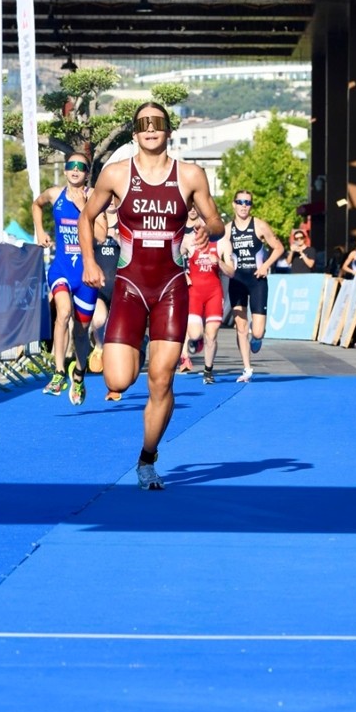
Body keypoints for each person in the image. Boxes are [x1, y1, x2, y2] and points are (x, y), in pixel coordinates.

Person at [79, 102, 224, 490]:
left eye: (157, 123)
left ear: (168, 131)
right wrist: (89, 263)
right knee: (118, 378)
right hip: (129, 287)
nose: (150, 130)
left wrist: (210, 228)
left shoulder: (190, 174)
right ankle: (124, 349)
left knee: (161, 380)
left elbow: (215, 219)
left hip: (171, 288)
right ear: (133, 133)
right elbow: (86, 216)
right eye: (143, 124)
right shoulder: (116, 174)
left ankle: (147, 457)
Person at [32, 150, 107, 405]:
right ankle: (59, 372)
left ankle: (79, 373)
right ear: (65, 170)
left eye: (81, 167)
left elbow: (100, 237)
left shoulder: (96, 198)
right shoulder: (55, 194)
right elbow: (36, 204)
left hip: (86, 275)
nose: (75, 170)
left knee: (82, 333)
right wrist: (40, 230)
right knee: (63, 313)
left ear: (87, 174)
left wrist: (85, 210)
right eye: (71, 166)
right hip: (62, 268)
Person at [224, 190, 284, 384]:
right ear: (233, 204)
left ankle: (257, 338)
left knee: (256, 332)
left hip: (257, 280)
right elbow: (222, 254)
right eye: (240, 202)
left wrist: (266, 266)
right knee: (241, 327)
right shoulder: (227, 230)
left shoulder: (259, 225)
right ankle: (247, 369)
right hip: (237, 281)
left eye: (247, 203)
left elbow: (279, 247)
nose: (244, 205)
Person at [179, 209, 235, 384]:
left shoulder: (222, 243)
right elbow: (173, 258)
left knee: (212, 334)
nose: (200, 224)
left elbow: (232, 272)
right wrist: (184, 275)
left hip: (213, 292)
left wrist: (218, 262)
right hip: (194, 292)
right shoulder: (188, 240)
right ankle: (198, 339)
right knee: (195, 334)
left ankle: (208, 371)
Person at [87, 199, 121, 390]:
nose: (111, 202)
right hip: (99, 287)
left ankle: (115, 374)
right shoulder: (94, 223)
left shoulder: (125, 224)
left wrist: (118, 239)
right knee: (99, 320)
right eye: (107, 199)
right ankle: (99, 347)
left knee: (117, 332)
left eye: (115, 199)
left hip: (119, 289)